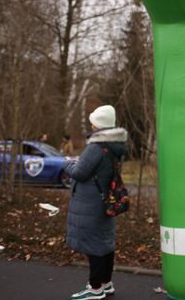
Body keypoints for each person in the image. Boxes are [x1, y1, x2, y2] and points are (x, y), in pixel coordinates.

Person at [62, 105, 128, 300]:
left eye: (92, 121)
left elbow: (79, 172)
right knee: (104, 243)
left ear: (97, 124)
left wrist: (67, 162)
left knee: (94, 245)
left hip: (90, 202)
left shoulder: (96, 146)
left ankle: (95, 287)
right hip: (106, 198)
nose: (90, 124)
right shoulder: (115, 144)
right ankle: (106, 283)